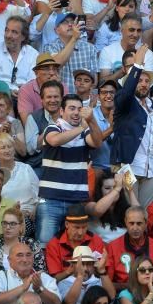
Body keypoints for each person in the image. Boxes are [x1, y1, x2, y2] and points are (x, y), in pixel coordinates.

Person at [36, 93, 105, 243]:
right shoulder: (53, 127)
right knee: (45, 245)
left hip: (76, 201)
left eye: (79, 109)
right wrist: (81, 127)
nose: (76, 112)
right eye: (71, 108)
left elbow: (97, 142)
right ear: (61, 111)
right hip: (51, 200)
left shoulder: (85, 131)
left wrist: (91, 120)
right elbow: (55, 140)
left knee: (74, 246)